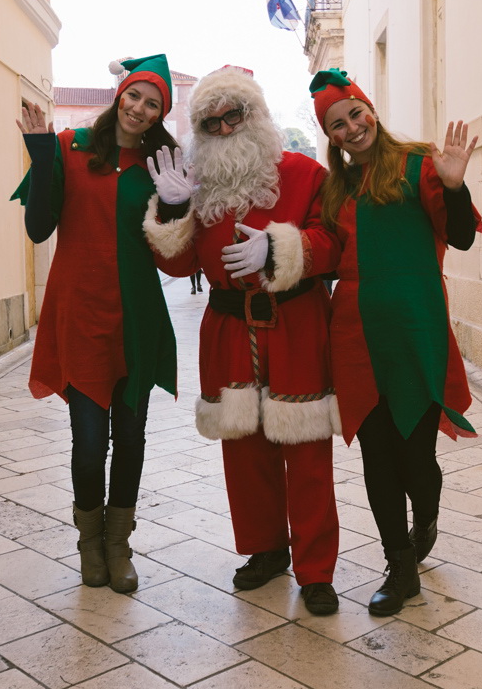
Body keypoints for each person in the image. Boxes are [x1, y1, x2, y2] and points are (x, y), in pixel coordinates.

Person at [144, 66, 342, 615]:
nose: (225, 129)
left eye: (234, 115)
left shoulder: (304, 173)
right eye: (211, 123)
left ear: (256, 114)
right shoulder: (199, 188)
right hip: (230, 328)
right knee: (244, 451)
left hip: (296, 323)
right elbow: (179, 265)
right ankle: (266, 549)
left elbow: (333, 241)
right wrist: (174, 208)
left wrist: (279, 248)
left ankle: (317, 570)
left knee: (306, 453)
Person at [309, 69, 482, 616]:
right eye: (337, 125)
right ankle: (399, 566)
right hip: (355, 333)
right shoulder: (335, 187)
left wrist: (454, 186)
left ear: (371, 111)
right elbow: (325, 255)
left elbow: (460, 236)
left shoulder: (420, 164)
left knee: (416, 459)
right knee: (378, 458)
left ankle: (425, 518)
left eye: (354, 114)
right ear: (330, 137)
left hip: (415, 329)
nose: (351, 128)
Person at [10, 55, 179, 594]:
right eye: (135, 96)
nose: (140, 109)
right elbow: (39, 228)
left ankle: (118, 544)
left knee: (130, 438)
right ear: (119, 95)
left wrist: (178, 205)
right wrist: (41, 155)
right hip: (81, 315)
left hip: (137, 318)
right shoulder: (71, 147)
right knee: (88, 444)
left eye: (153, 104)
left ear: (160, 115)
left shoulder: (160, 166)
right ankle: (89, 543)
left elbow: (176, 258)